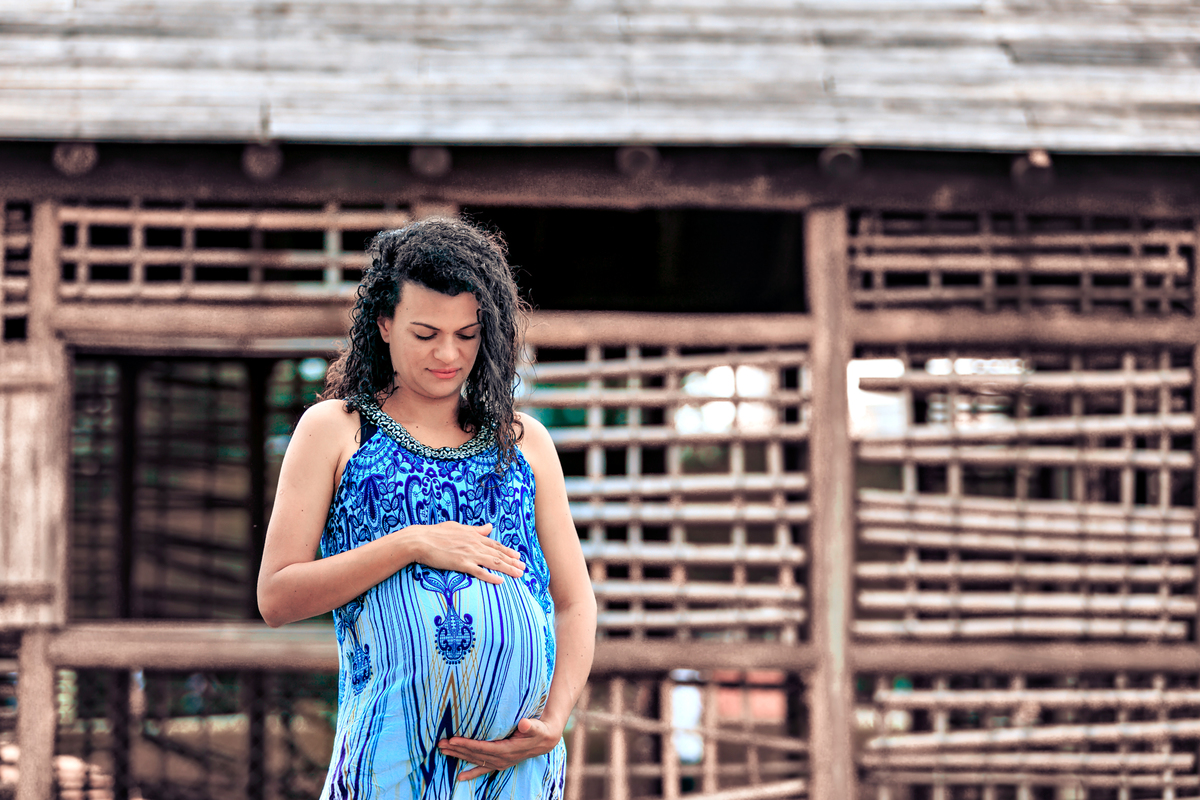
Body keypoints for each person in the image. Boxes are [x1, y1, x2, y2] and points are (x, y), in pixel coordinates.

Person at [257, 217, 596, 799]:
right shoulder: (337, 430)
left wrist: (553, 720)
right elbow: (277, 596)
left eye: (467, 335)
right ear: (384, 325)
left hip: (517, 766)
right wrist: (410, 543)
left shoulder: (525, 441)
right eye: (425, 334)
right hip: (389, 761)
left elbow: (573, 601)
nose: (448, 354)